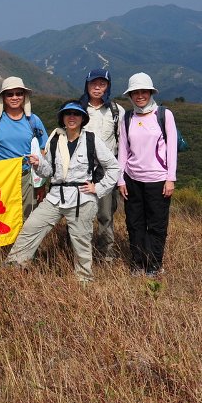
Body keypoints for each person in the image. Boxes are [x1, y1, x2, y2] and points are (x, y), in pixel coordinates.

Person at [6, 101, 119, 283]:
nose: (72, 117)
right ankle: (13, 268)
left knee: (81, 243)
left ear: (83, 118)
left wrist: (98, 188)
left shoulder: (91, 139)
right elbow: (49, 171)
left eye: (76, 114)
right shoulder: (56, 140)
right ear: (62, 118)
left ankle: (84, 281)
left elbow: (113, 167)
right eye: (68, 114)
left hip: (82, 198)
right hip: (55, 196)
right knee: (31, 227)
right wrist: (38, 164)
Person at [118, 73, 177, 278]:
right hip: (132, 179)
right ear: (131, 95)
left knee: (157, 224)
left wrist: (171, 178)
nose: (140, 96)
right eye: (135, 92)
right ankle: (138, 262)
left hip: (158, 180)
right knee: (134, 223)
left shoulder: (163, 115)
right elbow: (123, 151)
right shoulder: (127, 118)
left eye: (144, 91)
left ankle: (154, 264)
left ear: (151, 92)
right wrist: (120, 179)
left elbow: (172, 149)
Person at [0, 76, 48, 220]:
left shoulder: (33, 121)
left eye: (19, 93)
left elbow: (43, 151)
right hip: (3, 177)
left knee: (28, 218)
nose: (15, 97)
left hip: (27, 177)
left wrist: (41, 182)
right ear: (3, 97)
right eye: (9, 94)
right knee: (4, 217)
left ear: (24, 96)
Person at [78, 69, 125, 261]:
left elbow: (123, 144)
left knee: (105, 214)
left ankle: (106, 255)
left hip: (106, 171)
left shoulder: (116, 111)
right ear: (87, 85)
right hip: (81, 170)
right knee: (79, 214)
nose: (97, 87)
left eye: (102, 84)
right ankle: (80, 253)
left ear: (108, 86)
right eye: (93, 83)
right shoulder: (78, 109)